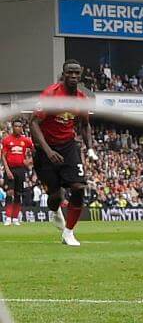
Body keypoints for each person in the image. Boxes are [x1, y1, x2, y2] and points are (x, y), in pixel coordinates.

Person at [31, 59, 93, 246]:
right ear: (63, 74)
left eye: (76, 73)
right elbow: (33, 122)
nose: (73, 76)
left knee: (79, 188)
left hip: (68, 146)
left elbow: (85, 125)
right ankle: (55, 210)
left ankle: (69, 232)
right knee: (55, 196)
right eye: (69, 73)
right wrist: (48, 151)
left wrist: (89, 147)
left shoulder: (81, 98)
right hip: (45, 149)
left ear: (80, 75)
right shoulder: (51, 95)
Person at [2, 120, 33, 226]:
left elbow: (34, 149)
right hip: (10, 169)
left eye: (19, 126)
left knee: (18, 194)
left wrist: (29, 161)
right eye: (15, 126)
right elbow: (3, 156)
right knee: (9, 193)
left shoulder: (25, 140)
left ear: (22, 128)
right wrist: (7, 170)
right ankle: (8, 218)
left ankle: (15, 218)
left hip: (21, 170)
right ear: (12, 127)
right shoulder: (6, 140)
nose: (17, 128)